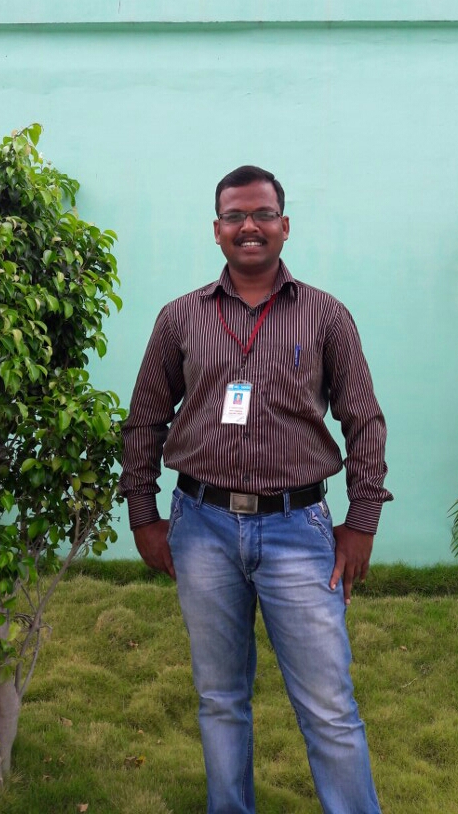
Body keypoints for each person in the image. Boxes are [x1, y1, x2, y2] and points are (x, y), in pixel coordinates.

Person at [121, 165, 392, 814]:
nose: (250, 226)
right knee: (220, 699)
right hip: (201, 527)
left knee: (329, 705)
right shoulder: (180, 318)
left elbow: (363, 419)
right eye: (235, 215)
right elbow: (145, 419)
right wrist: (143, 514)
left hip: (297, 529)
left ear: (284, 225)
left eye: (263, 214)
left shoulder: (326, 314)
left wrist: (361, 521)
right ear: (216, 229)